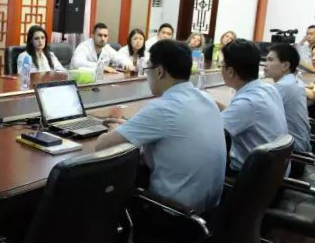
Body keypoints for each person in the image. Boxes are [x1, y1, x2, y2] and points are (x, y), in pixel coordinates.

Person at [95, 40, 226, 214]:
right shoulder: (206, 99)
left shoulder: (163, 108)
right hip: (210, 211)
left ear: (159, 72)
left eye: (147, 69)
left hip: (173, 215)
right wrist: (130, 128)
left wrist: (113, 130)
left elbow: (101, 147)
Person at [217, 39, 288, 173]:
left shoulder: (247, 103)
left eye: (222, 65)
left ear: (231, 71)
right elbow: (239, 115)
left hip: (250, 178)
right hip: (274, 172)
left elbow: (210, 133)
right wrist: (212, 105)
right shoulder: (268, 89)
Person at [264, 43, 311, 153]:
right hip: (300, 143)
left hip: (291, 150)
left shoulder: (282, 87)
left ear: (285, 66)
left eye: (270, 60)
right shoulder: (294, 81)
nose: (265, 64)